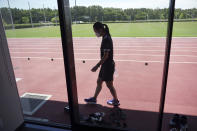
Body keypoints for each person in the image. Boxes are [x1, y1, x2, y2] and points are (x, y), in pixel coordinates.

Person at [84, 22, 120, 106]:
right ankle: (94, 98)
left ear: (100, 29)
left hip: (107, 66)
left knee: (109, 85)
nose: (95, 33)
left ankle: (116, 100)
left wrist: (97, 66)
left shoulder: (106, 39)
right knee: (99, 81)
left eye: (95, 31)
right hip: (105, 65)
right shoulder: (105, 36)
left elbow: (106, 56)